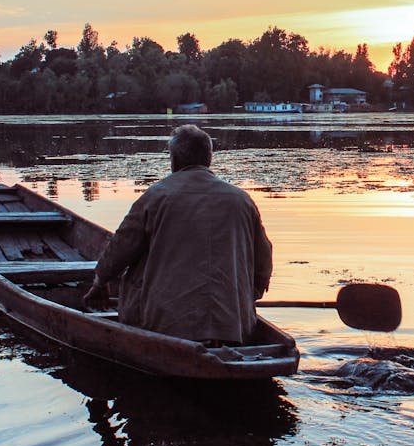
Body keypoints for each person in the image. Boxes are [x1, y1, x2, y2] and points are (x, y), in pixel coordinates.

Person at [83, 124, 272, 346]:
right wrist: (247, 297)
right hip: (233, 325)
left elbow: (120, 248)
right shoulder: (242, 200)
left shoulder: (156, 196)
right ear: (209, 158)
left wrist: (100, 280)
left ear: (174, 160)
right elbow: (263, 259)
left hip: (167, 324)